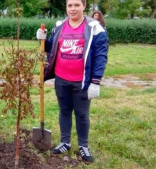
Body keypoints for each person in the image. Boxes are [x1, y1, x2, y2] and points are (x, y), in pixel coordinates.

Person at [36, 0, 108, 164]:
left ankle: (83, 146)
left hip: (81, 82)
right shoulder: (60, 26)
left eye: (76, 5)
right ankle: (65, 142)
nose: (73, 8)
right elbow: (52, 47)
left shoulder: (94, 27)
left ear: (84, 6)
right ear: (66, 7)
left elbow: (101, 55)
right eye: (70, 5)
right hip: (61, 79)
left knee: (82, 115)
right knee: (64, 111)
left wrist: (95, 81)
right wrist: (43, 39)